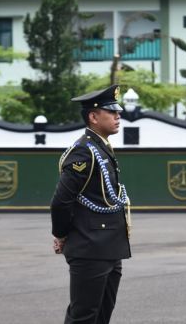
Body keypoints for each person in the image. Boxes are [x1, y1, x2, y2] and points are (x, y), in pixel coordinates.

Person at [50, 85, 131, 324]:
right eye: (111, 112)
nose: (118, 116)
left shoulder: (101, 148)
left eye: (118, 112)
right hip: (90, 247)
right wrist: (61, 234)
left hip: (108, 246)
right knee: (83, 316)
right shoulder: (84, 153)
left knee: (102, 315)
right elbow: (61, 201)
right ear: (94, 117)